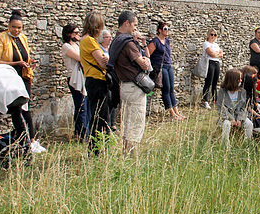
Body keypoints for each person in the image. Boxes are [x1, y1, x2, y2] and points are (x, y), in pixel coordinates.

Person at [0, 9, 46, 153]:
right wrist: (16, 63)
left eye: (19, 28)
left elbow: (24, 57)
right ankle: (24, 140)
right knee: (16, 110)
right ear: (9, 26)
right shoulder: (1, 38)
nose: (16, 30)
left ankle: (31, 140)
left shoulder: (23, 38)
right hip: (8, 80)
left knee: (26, 108)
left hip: (23, 77)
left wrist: (29, 62)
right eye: (14, 27)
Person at [109, 11, 151, 158]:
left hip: (124, 86)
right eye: (134, 25)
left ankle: (126, 156)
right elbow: (144, 64)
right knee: (135, 125)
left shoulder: (116, 41)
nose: (135, 28)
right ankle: (132, 160)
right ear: (126, 23)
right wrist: (145, 60)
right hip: (134, 87)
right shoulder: (127, 42)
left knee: (128, 124)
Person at [79, 11, 110, 155]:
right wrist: (106, 58)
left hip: (93, 80)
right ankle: (96, 149)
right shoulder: (89, 41)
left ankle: (98, 147)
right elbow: (103, 62)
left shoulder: (85, 40)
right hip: (97, 81)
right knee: (100, 117)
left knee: (98, 116)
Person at [148, 20, 186, 120]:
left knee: (171, 89)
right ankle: (171, 113)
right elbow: (148, 55)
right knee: (166, 88)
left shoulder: (167, 41)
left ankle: (176, 112)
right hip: (160, 67)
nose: (167, 31)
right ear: (160, 30)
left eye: (168, 29)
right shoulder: (155, 42)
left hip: (168, 65)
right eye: (165, 29)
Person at [61, 23, 90, 139]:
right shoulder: (66, 46)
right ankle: (82, 133)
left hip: (82, 76)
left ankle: (83, 131)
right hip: (74, 77)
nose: (78, 35)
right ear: (69, 34)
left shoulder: (77, 45)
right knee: (80, 104)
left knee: (85, 104)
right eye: (76, 33)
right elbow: (81, 58)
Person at [217, 68, 253, 146]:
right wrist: (231, 119)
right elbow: (221, 108)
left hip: (240, 116)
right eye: (239, 79)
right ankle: (226, 144)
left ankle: (247, 143)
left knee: (249, 123)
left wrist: (240, 119)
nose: (241, 81)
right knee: (226, 124)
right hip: (226, 117)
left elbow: (244, 107)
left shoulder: (242, 92)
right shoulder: (222, 92)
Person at [202, 28, 224, 109]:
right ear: (208, 35)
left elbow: (221, 54)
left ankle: (215, 99)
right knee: (208, 81)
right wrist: (217, 54)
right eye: (211, 34)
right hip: (210, 62)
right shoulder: (206, 44)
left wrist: (216, 54)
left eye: (215, 35)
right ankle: (205, 100)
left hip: (216, 63)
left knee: (215, 82)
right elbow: (210, 53)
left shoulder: (216, 45)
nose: (213, 36)